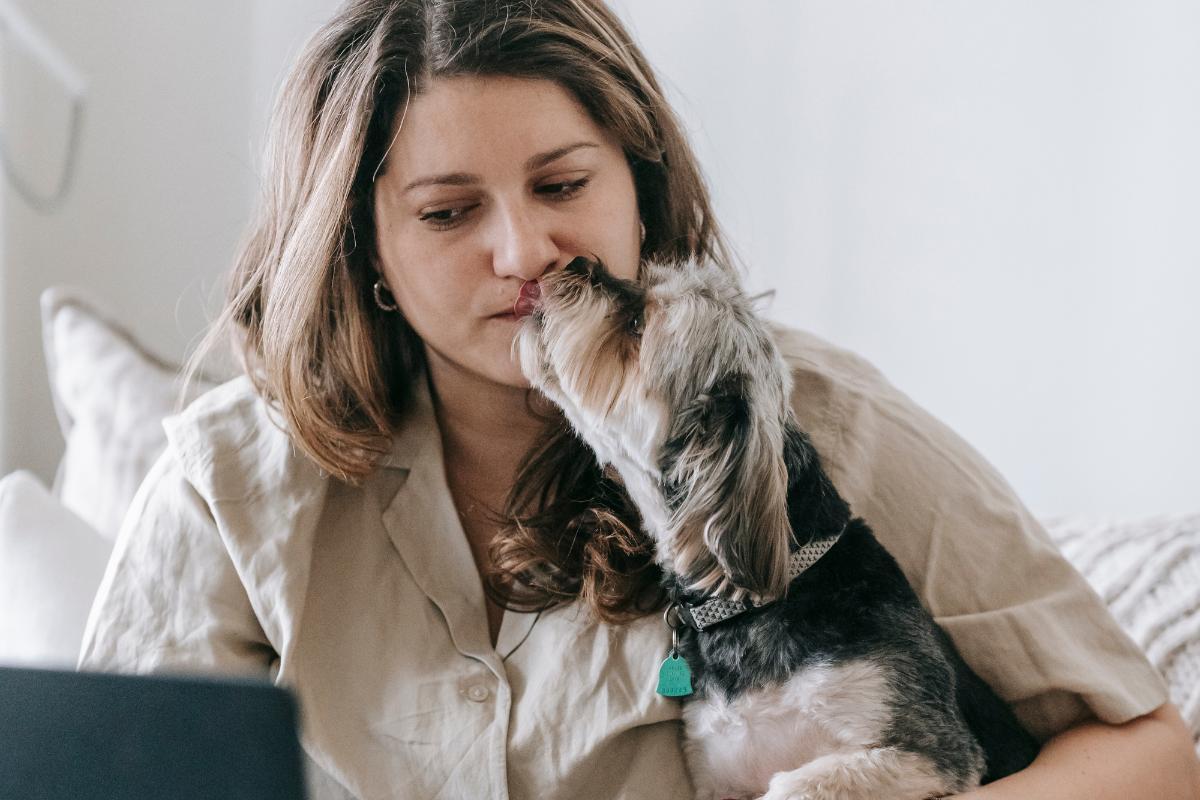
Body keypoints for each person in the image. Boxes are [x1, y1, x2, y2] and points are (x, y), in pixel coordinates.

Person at [78, 1, 1199, 798]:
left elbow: (1151, 757)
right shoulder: (225, 486)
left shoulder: (807, 422)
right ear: (363, 245)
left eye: (563, 184)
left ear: (639, 185)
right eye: (447, 212)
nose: (525, 250)